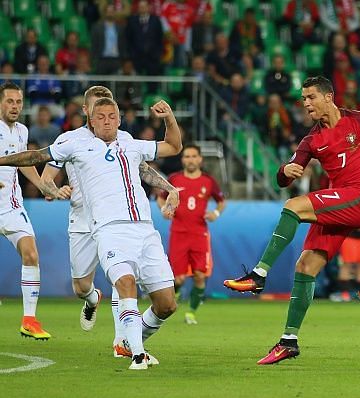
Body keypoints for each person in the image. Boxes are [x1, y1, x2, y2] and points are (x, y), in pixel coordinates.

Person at [223, 76, 360, 364]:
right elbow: (285, 176)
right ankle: (289, 341)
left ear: (329, 97)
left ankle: (258, 274)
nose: (306, 104)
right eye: (303, 99)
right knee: (306, 265)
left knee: (293, 207)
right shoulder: (311, 140)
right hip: (336, 202)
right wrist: (285, 170)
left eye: (311, 97)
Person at [2, 98, 183, 370]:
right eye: (101, 116)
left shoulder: (131, 144)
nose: (107, 120)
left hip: (146, 229)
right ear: (91, 119)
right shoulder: (74, 143)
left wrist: (169, 117)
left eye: (112, 116)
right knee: (123, 283)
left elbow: (173, 146)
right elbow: (37, 156)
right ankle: (136, 353)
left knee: (167, 304)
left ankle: (131, 341)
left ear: (120, 119)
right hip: (108, 229)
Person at [41, 86, 178, 357]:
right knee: (81, 286)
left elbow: (142, 169)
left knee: (122, 277)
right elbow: (46, 177)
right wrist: (55, 190)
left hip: (113, 220)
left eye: (110, 112)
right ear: (87, 113)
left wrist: (169, 187)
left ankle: (123, 341)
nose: (105, 118)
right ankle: (92, 299)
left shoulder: (123, 139)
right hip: (82, 219)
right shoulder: (69, 140)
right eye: (97, 112)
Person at [0, 82, 65, 340]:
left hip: (12, 206)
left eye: (18, 102)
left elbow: (25, 162)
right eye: (9, 101)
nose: (15, 106)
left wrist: (43, 187)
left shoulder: (22, 130)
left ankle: (29, 320)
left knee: (31, 253)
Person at [156, 144, 225, 325]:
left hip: (199, 234)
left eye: (194, 156)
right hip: (178, 233)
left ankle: (191, 313)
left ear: (200, 159)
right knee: (178, 278)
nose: (191, 159)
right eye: (187, 156)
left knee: (200, 275)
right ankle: (176, 292)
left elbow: (221, 201)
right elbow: (161, 198)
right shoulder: (174, 179)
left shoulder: (208, 181)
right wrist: (165, 210)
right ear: (182, 160)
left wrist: (215, 214)